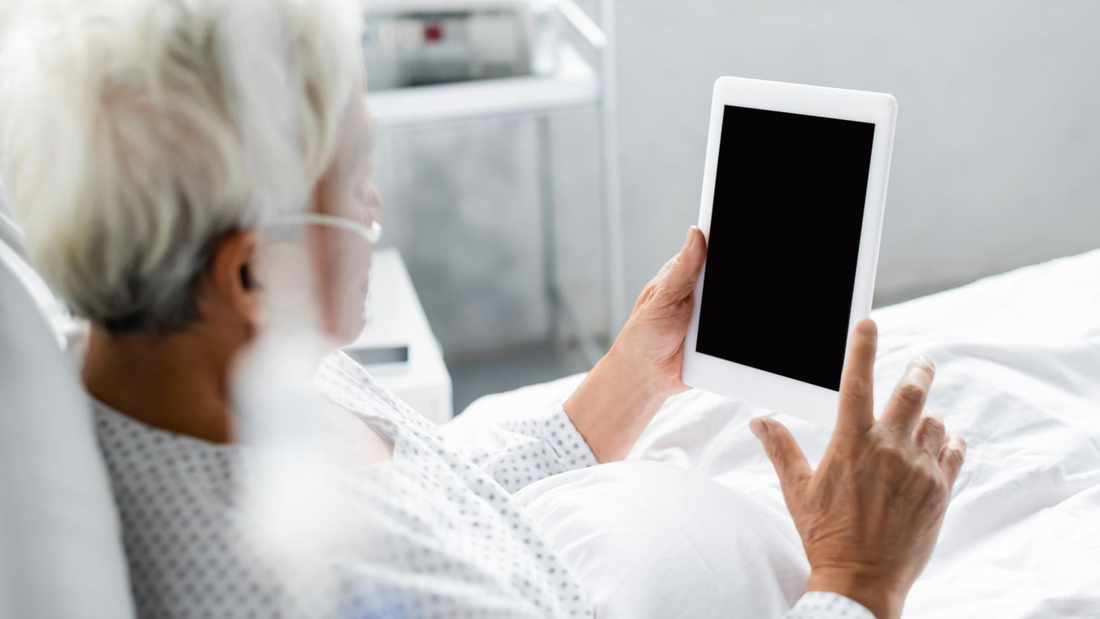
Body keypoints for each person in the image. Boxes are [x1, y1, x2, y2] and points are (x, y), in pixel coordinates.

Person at [0, 1, 965, 618]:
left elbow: (429, 498)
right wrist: (857, 578)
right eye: (358, 176)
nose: (376, 208)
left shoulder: (198, 365)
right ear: (253, 275)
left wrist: (625, 385)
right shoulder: (293, 592)